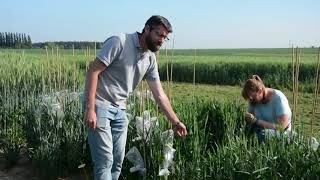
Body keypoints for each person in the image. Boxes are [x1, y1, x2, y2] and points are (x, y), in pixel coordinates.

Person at [84, 15, 188, 180]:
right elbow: (93, 70)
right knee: (105, 161)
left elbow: (160, 95)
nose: (162, 40)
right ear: (147, 29)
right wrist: (90, 109)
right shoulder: (119, 42)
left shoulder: (150, 58)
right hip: (100, 105)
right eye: (159, 35)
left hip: (120, 110)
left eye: (165, 37)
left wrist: (176, 121)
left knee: (117, 161)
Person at [241, 75, 292, 143]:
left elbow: (282, 127)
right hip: (261, 129)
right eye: (250, 98)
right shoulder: (254, 100)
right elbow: (250, 119)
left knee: (264, 135)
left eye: (253, 97)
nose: (251, 100)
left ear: (260, 91)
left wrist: (256, 121)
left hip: (282, 133)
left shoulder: (278, 99)